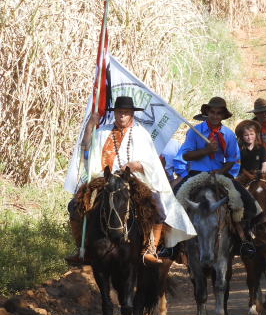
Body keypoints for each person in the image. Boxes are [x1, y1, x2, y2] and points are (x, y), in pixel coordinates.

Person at [64, 97, 195, 266]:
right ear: (114, 113)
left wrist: (135, 165)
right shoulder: (102, 132)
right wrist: (89, 127)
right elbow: (86, 150)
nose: (122, 115)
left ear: (132, 114)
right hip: (104, 179)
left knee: (158, 208)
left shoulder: (141, 134)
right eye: (119, 112)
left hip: (134, 180)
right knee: (75, 205)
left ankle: (149, 249)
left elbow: (152, 164)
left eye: (126, 112)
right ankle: (83, 249)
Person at [177, 97, 260, 257]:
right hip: (196, 174)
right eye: (212, 112)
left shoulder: (228, 134)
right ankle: (172, 245)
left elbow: (231, 160)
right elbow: (186, 155)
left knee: (248, 202)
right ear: (207, 112)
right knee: (174, 200)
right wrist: (205, 150)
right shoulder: (194, 131)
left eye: (219, 113)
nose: (215, 116)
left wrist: (221, 171)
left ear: (223, 115)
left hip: (220, 174)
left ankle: (243, 240)